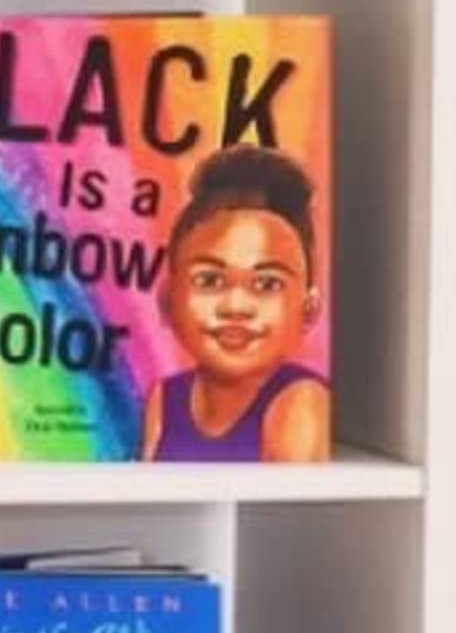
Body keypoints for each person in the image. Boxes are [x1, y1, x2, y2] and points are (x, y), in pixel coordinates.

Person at [141, 144, 331, 463]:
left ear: (309, 309)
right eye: (210, 280)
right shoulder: (164, 400)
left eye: (266, 284)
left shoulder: (300, 405)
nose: (235, 306)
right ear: (167, 301)